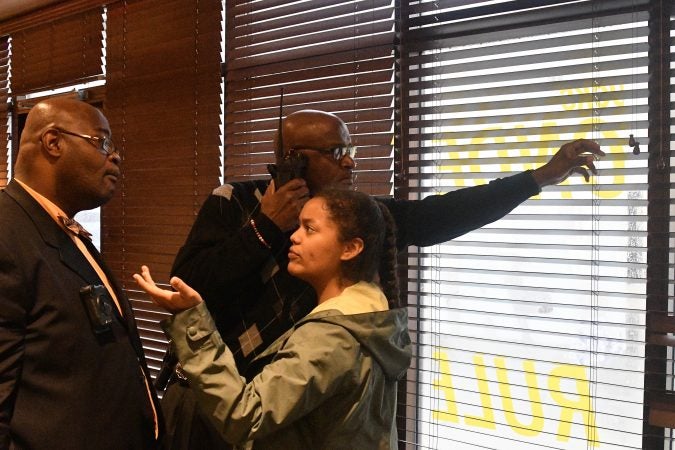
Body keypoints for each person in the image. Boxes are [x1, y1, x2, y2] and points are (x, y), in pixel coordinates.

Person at [162, 109, 604, 448]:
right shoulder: (235, 201)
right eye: (337, 151)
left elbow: (436, 217)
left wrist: (538, 178)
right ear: (295, 158)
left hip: (293, 408)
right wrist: (264, 228)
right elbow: (187, 284)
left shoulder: (353, 218)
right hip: (217, 396)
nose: (350, 160)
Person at [135, 188, 411, 449]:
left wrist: (191, 320)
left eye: (310, 228)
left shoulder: (332, 336)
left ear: (350, 248)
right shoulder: (372, 315)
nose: (295, 236)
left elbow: (244, 416)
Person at [0, 98, 163, 449]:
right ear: (54, 142)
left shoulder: (63, 229)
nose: (115, 156)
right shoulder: (6, 233)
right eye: (101, 142)